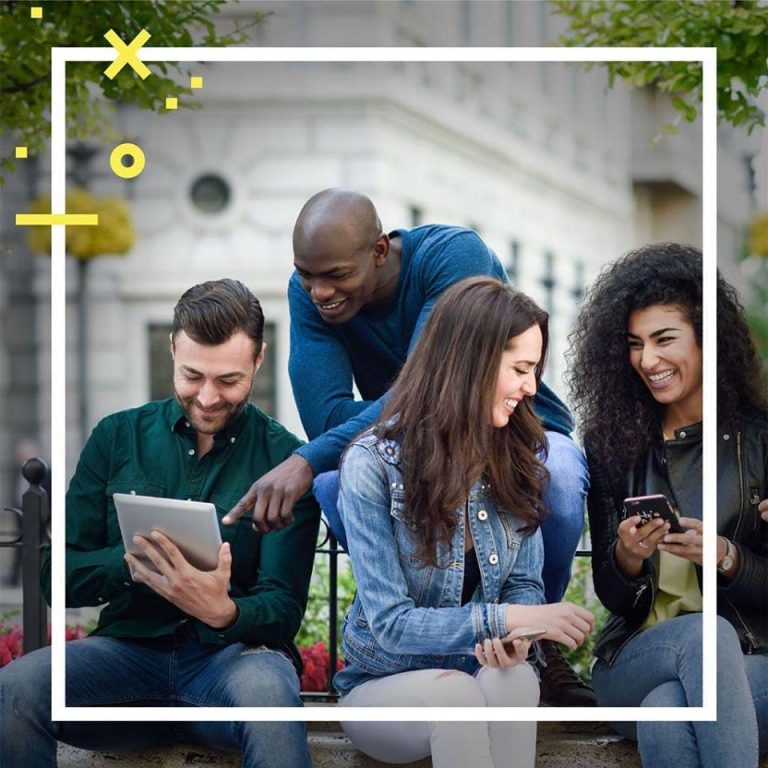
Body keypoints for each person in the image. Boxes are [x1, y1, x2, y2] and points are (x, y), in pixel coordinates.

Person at [224, 188, 594, 706]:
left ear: (379, 251)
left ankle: (539, 645)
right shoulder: (309, 288)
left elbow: (448, 383)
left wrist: (309, 456)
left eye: (335, 275)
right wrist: (347, 442)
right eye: (306, 275)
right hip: (409, 447)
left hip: (514, 430)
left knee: (555, 473)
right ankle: (416, 637)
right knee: (339, 479)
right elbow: (328, 417)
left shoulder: (452, 256)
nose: (318, 291)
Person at [0, 279, 320, 768]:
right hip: (125, 656)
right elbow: (53, 578)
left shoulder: (283, 461)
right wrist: (133, 563)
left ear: (259, 359)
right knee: (16, 687)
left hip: (233, 662)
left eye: (229, 380)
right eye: (192, 375)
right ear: (172, 348)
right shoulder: (117, 436)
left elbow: (284, 604)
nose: (208, 397)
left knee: (271, 700)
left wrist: (223, 613)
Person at [334, 277, 594, 768]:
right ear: (472, 362)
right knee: (454, 696)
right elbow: (390, 625)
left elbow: (522, 583)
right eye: (520, 369)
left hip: (479, 673)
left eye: (534, 370)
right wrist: (513, 619)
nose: (531, 387)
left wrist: (514, 641)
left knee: (515, 679)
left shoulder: (519, 458)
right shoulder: (373, 464)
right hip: (385, 687)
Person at [568, 244, 768, 767]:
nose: (647, 360)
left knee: (666, 714)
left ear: (708, 340)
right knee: (700, 642)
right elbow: (614, 597)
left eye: (664, 339)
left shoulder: (759, 441)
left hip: (750, 659)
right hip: (640, 655)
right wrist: (628, 556)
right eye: (635, 344)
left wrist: (726, 556)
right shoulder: (612, 441)